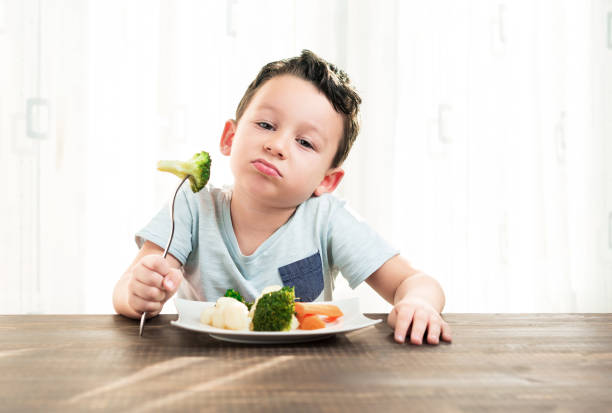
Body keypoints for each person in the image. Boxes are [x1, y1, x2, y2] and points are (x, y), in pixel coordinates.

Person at [113, 50, 452, 345]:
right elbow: (127, 289)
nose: (276, 145)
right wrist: (138, 293)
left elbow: (414, 281)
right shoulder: (191, 205)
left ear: (328, 180)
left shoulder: (327, 220)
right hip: (201, 367)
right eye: (265, 124)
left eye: (305, 143)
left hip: (306, 374)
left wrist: (418, 303)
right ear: (230, 137)